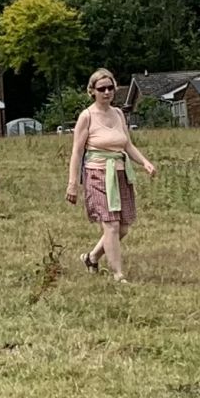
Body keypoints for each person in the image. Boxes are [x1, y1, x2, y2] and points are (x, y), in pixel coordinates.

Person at [66, 67, 157, 283]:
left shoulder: (118, 114)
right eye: (102, 89)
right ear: (92, 91)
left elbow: (127, 144)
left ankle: (92, 257)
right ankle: (118, 274)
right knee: (110, 225)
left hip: (120, 174)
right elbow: (77, 152)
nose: (107, 92)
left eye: (110, 88)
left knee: (123, 226)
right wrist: (72, 184)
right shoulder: (86, 117)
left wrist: (145, 162)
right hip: (97, 175)